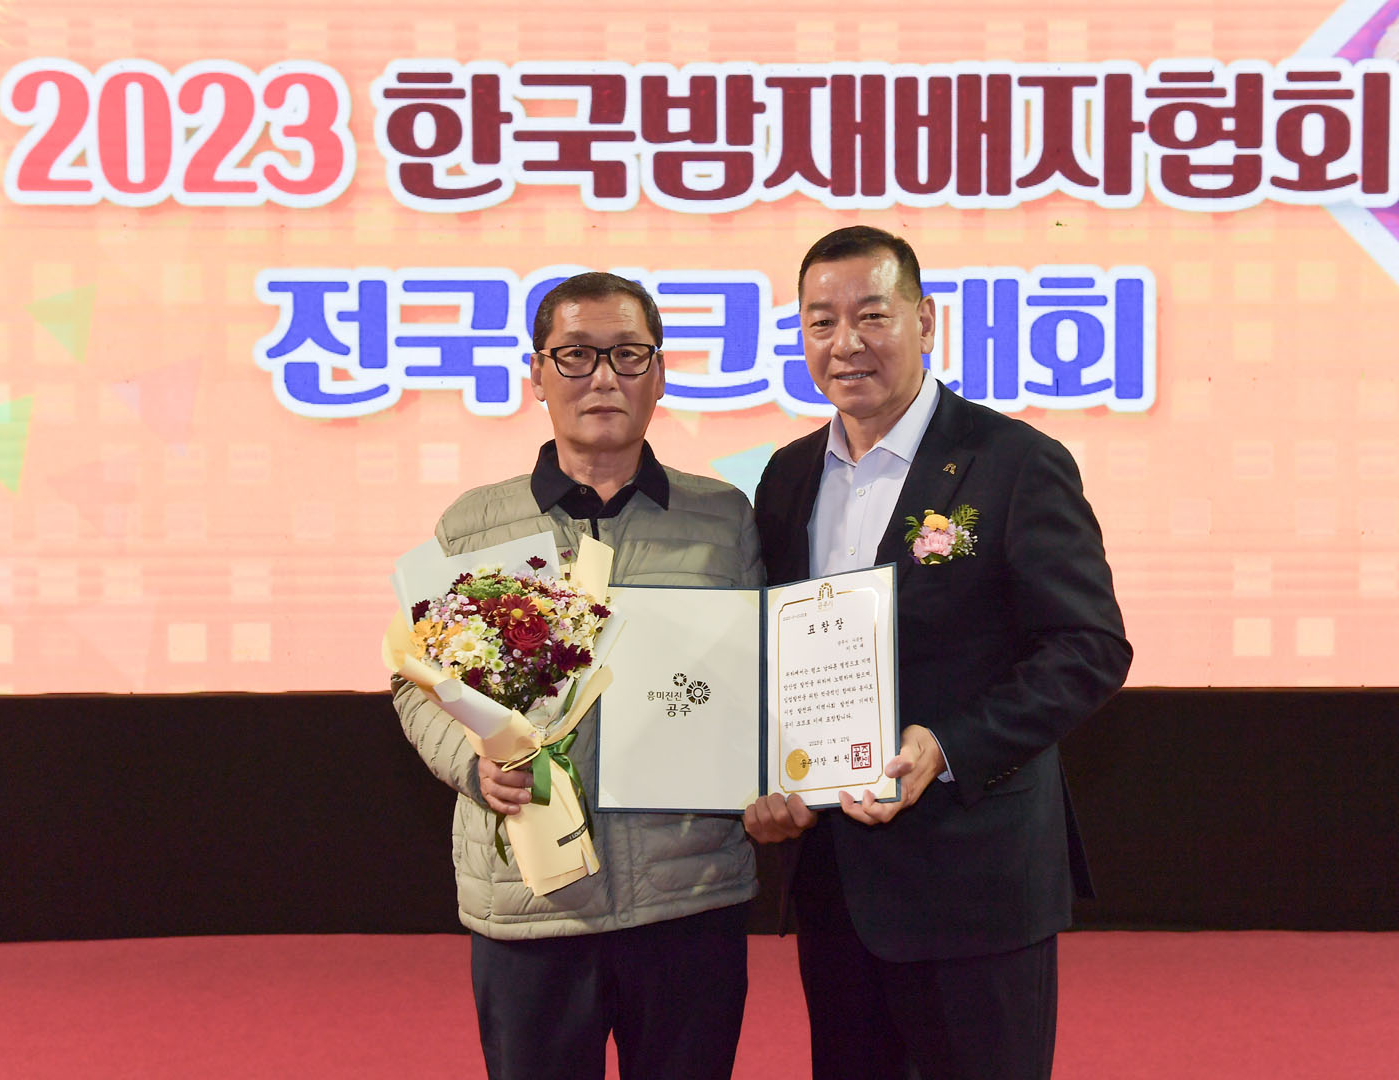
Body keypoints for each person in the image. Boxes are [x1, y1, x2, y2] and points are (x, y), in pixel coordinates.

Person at [744, 226, 1131, 1080]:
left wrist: (946, 746)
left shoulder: (1013, 461)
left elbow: (1089, 647)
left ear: (924, 321)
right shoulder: (787, 476)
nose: (845, 343)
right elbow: (771, 650)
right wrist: (763, 774)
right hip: (837, 883)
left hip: (975, 879)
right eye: (820, 322)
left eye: (871, 315)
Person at [392, 272, 760, 1080]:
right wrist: (472, 765)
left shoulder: (724, 518)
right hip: (530, 902)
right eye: (576, 355)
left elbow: (761, 676)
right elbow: (416, 687)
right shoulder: (475, 526)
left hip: (688, 893)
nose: (603, 377)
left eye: (628, 354)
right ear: (537, 374)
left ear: (658, 374)